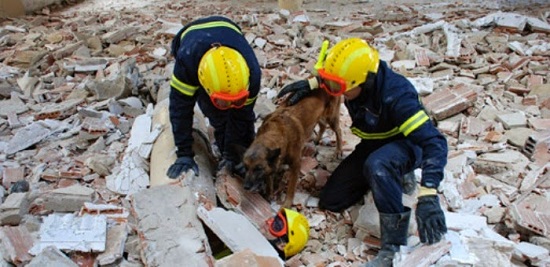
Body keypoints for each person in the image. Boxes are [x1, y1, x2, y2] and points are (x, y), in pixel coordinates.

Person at [277, 37, 448, 266]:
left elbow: (435, 143)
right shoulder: (355, 82)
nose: (334, 92)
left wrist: (429, 193)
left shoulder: (397, 96)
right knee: (332, 200)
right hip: (374, 142)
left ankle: (392, 246)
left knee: (378, 166)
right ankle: (387, 178)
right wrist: (314, 84)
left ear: (363, 82)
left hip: (406, 144)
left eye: (337, 87)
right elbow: (337, 81)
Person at [166, 16, 260, 179]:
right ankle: (222, 139)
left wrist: (234, 152)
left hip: (228, 27)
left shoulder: (252, 74)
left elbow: (243, 116)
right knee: (217, 115)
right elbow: (180, 110)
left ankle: (231, 154)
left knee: (239, 118)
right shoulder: (187, 64)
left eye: (237, 100)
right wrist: (184, 153)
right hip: (190, 38)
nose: (231, 104)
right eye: (224, 101)